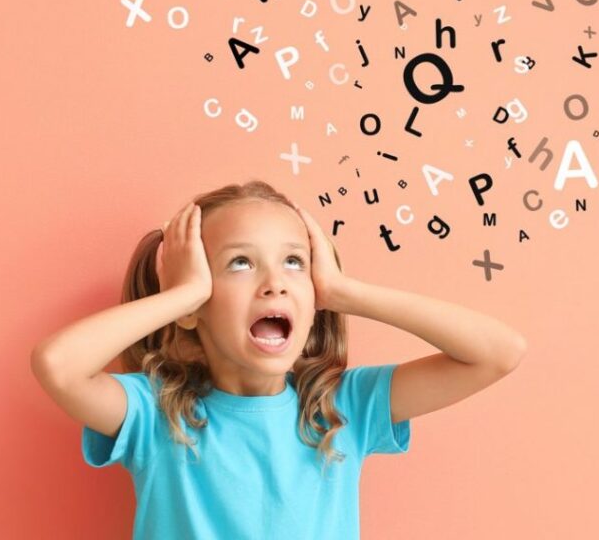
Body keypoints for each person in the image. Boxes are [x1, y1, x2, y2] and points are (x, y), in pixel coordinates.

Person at [31, 180, 527, 539]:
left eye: (295, 262)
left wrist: (344, 291)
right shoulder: (156, 414)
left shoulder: (344, 408)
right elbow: (58, 365)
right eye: (240, 263)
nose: (275, 282)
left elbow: (497, 353)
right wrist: (183, 297)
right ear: (194, 306)